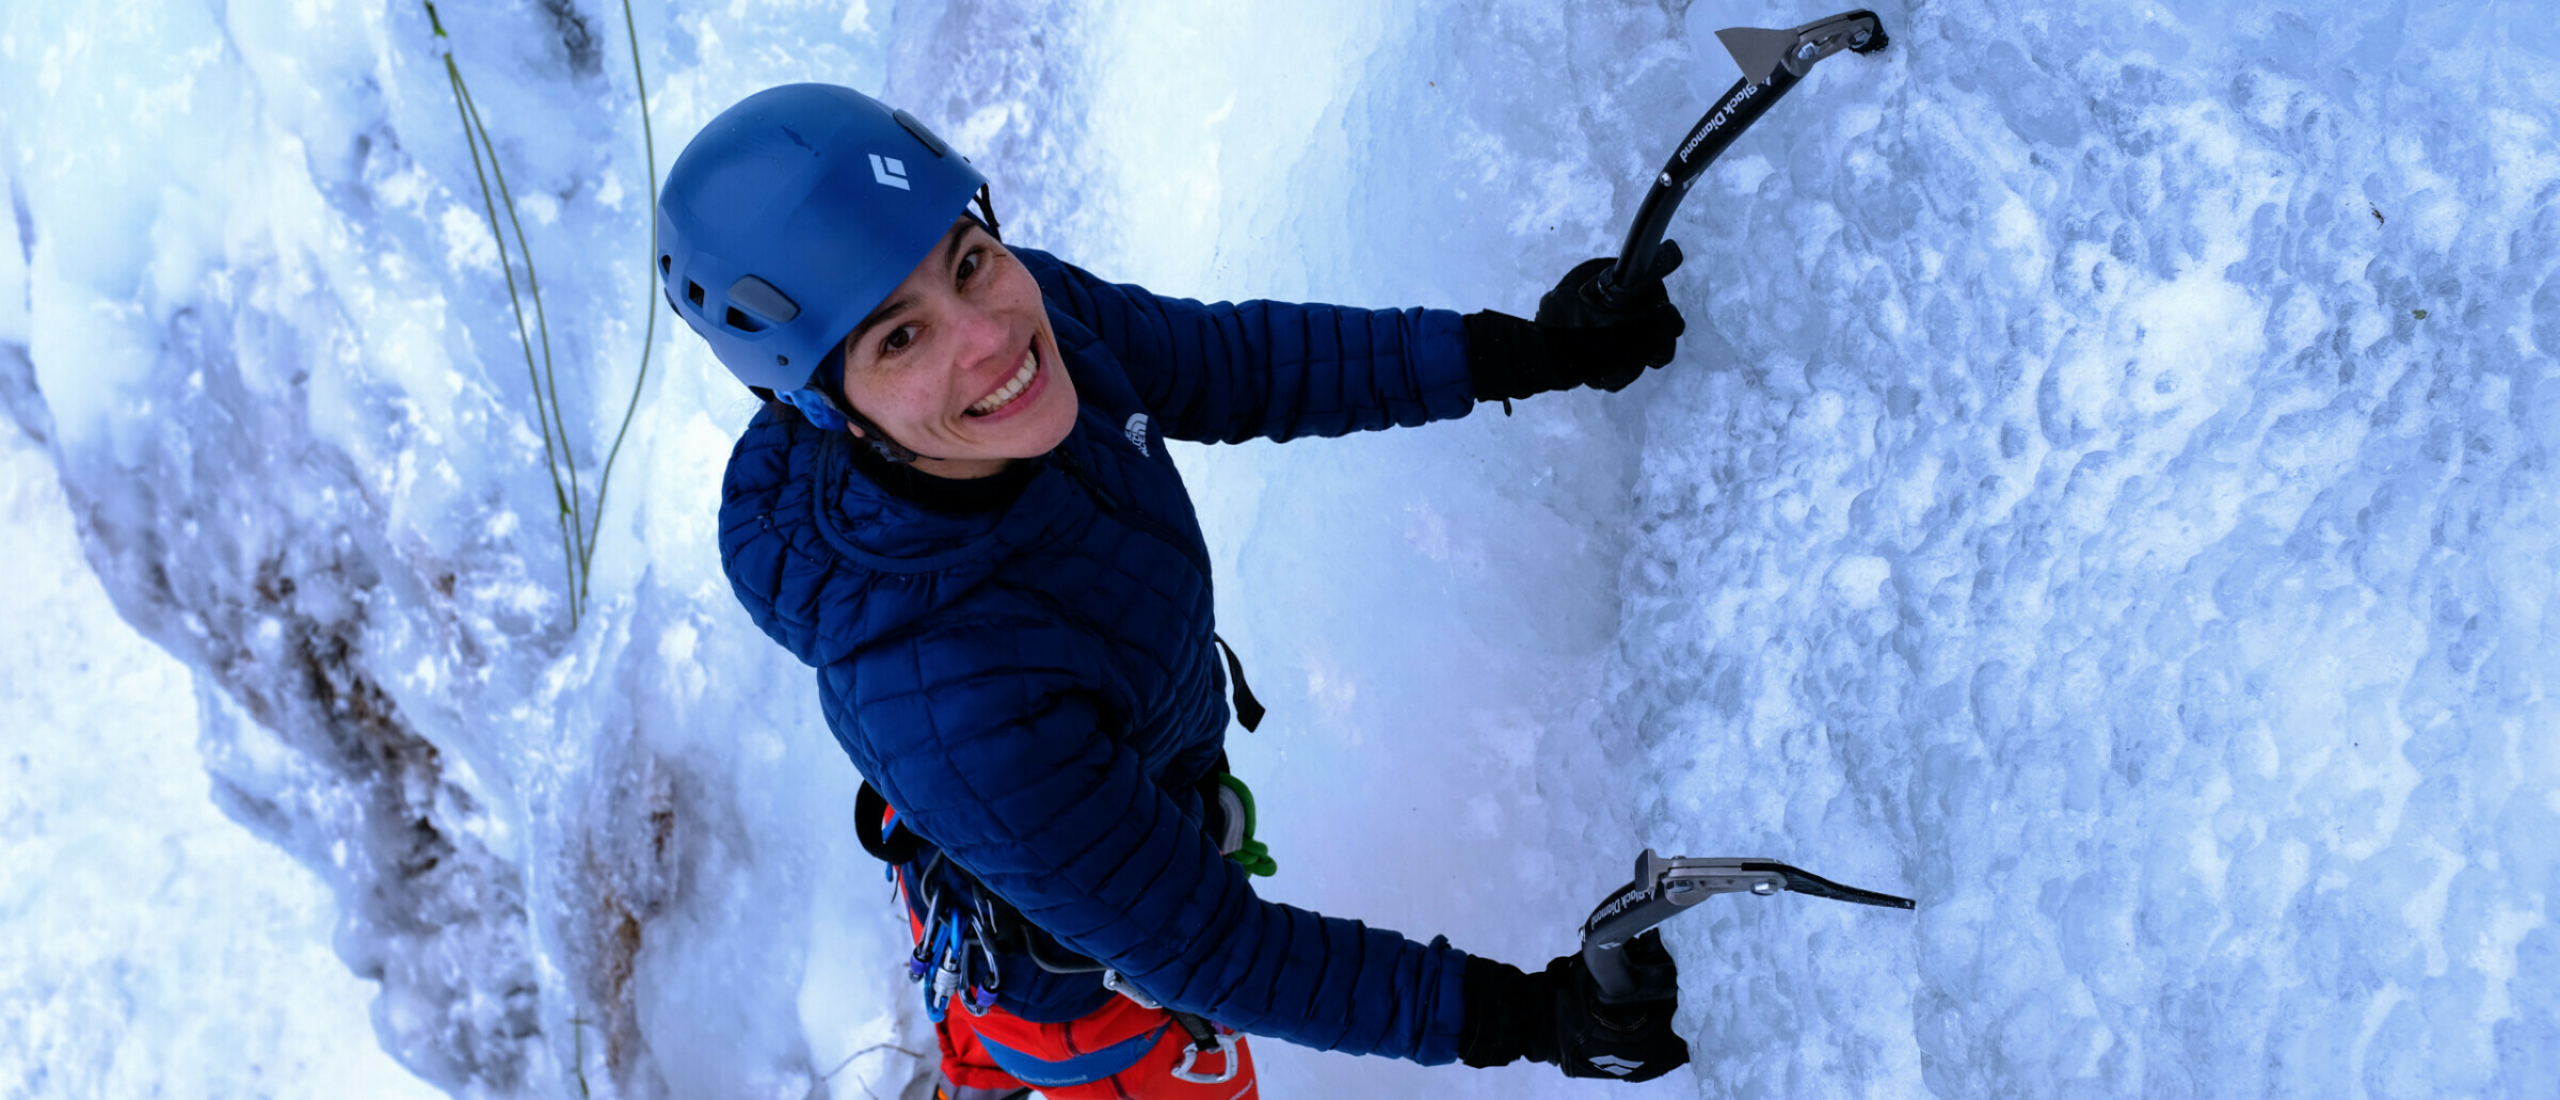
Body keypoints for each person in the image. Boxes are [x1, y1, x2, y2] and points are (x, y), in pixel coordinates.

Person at [660, 83, 1691, 1100]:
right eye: (897, 336)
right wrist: (1529, 1017)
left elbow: (1239, 363)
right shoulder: (961, 703)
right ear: (821, 407)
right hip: (1087, 996)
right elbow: (1213, 950)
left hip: (1041, 824)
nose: (987, 336)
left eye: (968, 260)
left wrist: (1528, 351)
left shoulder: (1033, 326)